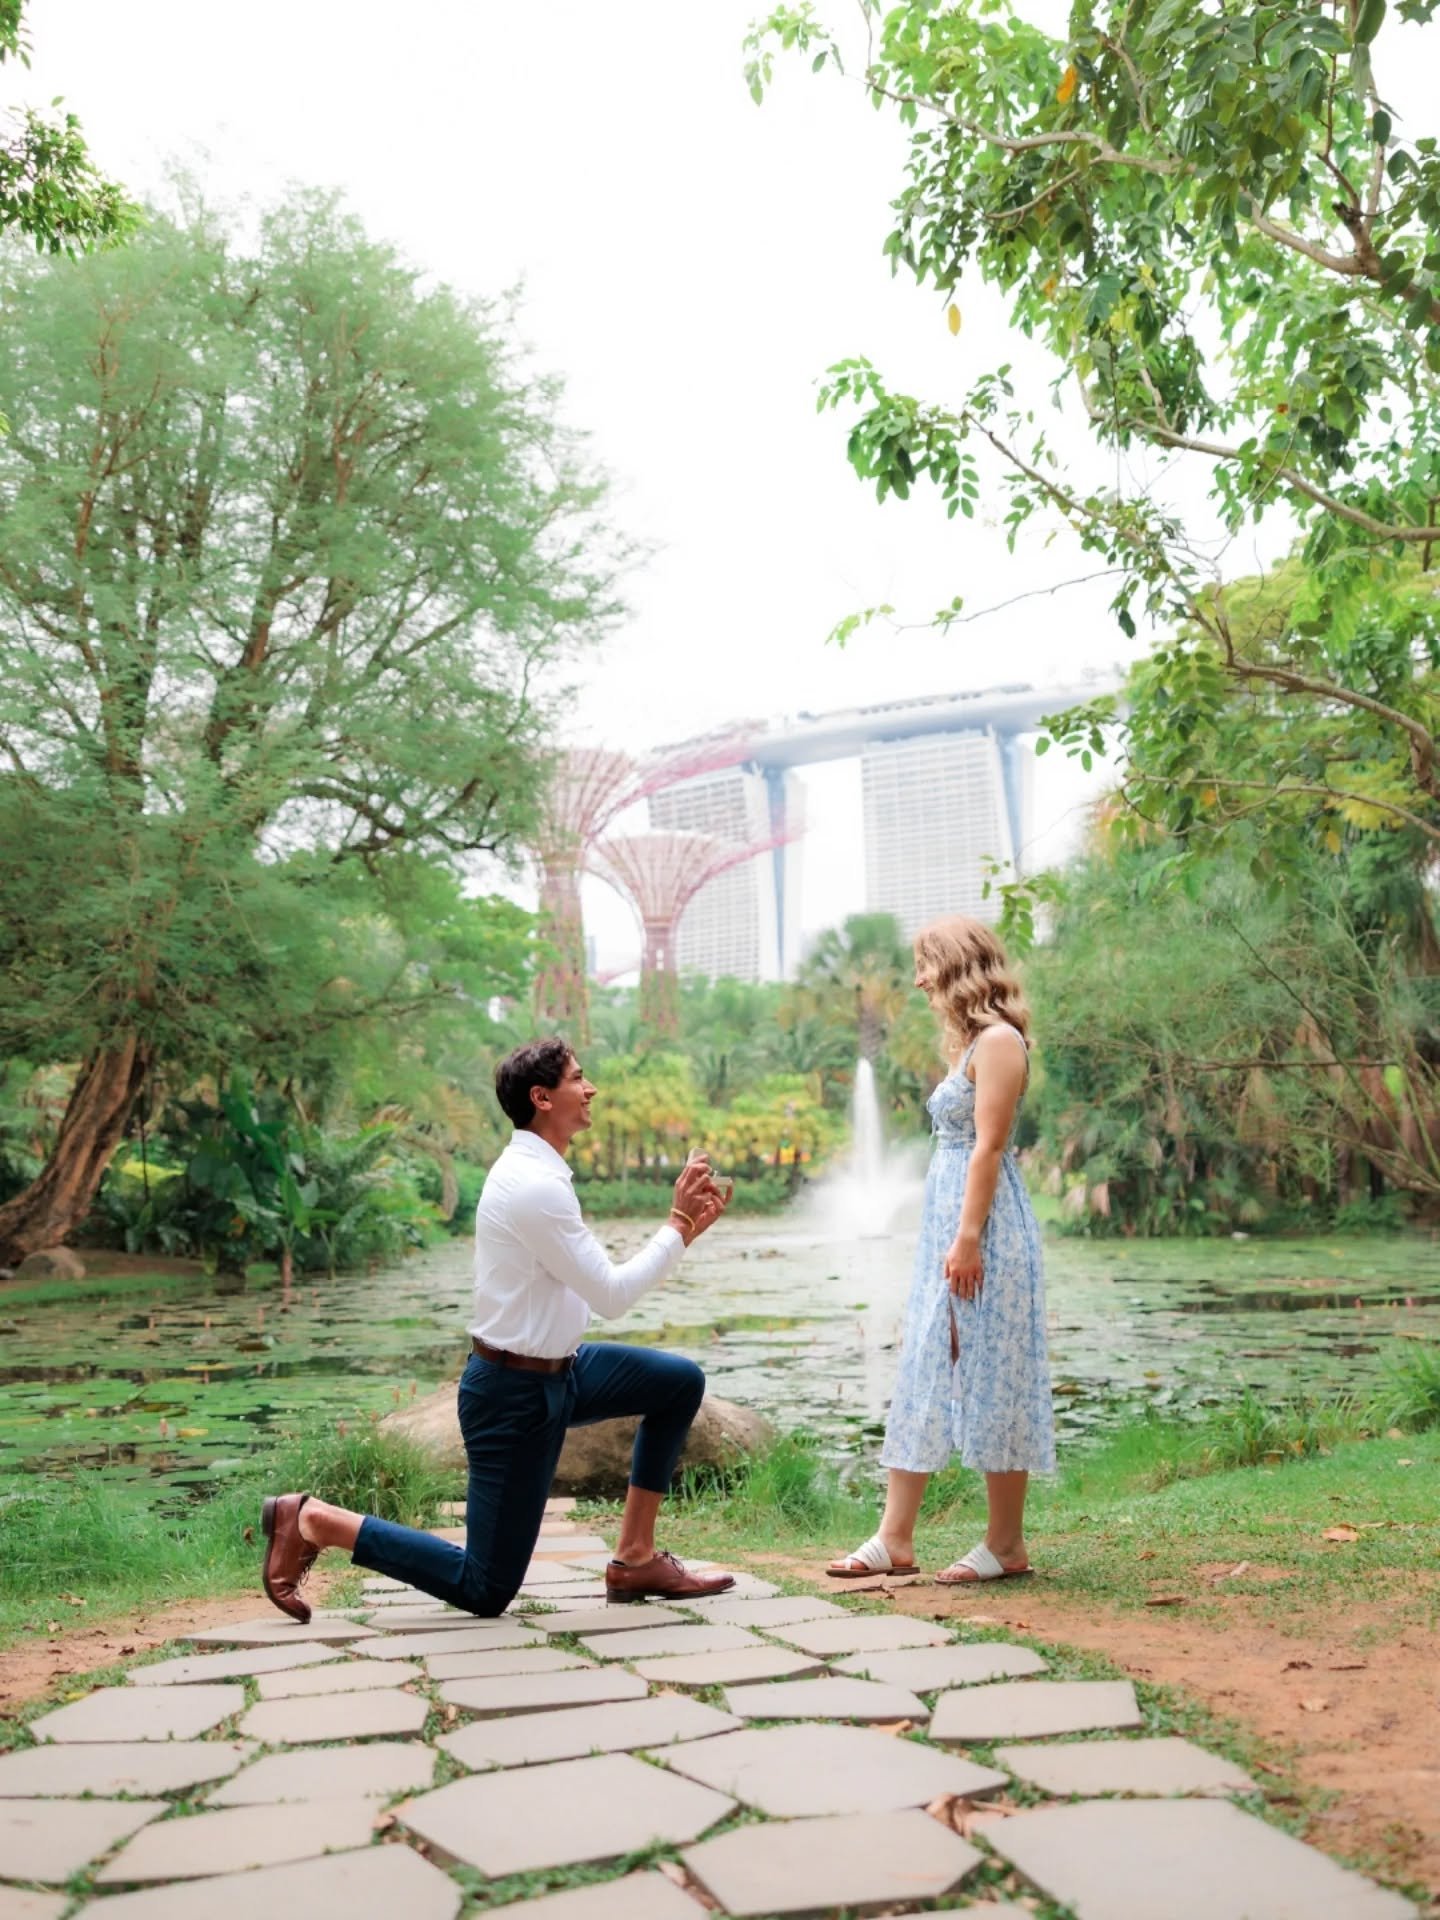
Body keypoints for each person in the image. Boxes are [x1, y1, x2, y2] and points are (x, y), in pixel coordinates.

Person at [260, 1037, 737, 1622]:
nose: (590, 1088)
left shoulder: (541, 1173)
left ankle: (636, 1558)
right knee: (484, 1588)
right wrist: (678, 1224)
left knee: (677, 1383)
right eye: (577, 1078)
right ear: (542, 1098)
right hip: (512, 1396)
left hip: (564, 1372)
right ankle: (315, 1520)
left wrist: (681, 1232)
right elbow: (611, 1295)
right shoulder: (534, 1187)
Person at [828, 915, 1054, 1584]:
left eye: (926, 964)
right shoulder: (969, 1046)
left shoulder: (1000, 1041)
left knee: (995, 1372)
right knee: (926, 1363)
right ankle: (894, 1538)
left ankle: (1005, 1544)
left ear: (957, 966)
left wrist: (969, 1238)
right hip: (952, 1229)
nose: (919, 978)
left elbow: (989, 1146)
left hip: (986, 1231)